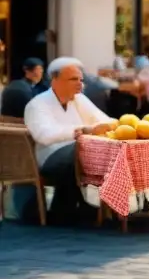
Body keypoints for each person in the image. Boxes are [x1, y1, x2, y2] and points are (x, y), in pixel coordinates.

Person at [22, 57, 118, 223]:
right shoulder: (37, 104)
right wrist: (82, 130)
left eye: (81, 79)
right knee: (81, 147)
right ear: (55, 80)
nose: (80, 83)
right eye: (73, 79)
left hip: (77, 153)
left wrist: (112, 126)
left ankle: (107, 206)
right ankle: (75, 208)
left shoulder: (79, 99)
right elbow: (44, 135)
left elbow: (103, 119)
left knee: (106, 147)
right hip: (48, 159)